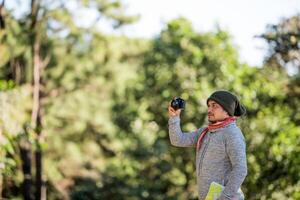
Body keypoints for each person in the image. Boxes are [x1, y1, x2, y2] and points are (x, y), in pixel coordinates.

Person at [168, 90, 247, 200]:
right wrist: (174, 117)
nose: (209, 110)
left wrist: (223, 198)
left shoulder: (232, 134)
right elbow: (177, 140)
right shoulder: (205, 132)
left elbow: (241, 169)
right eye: (209, 106)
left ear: (227, 110)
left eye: (214, 106)